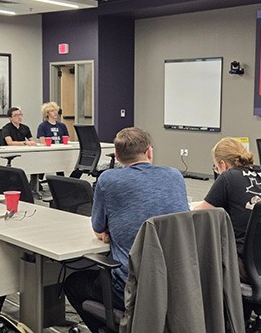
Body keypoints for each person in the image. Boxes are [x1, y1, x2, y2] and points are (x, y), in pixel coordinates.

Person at [64, 127, 189, 333]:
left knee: (74, 283)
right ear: (149, 152)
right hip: (176, 283)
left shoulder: (108, 180)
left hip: (129, 288)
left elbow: (97, 229)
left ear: (118, 156)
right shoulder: (175, 175)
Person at [194, 137, 261, 282]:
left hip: (249, 263)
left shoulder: (227, 177)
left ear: (223, 165)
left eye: (215, 167)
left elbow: (199, 213)